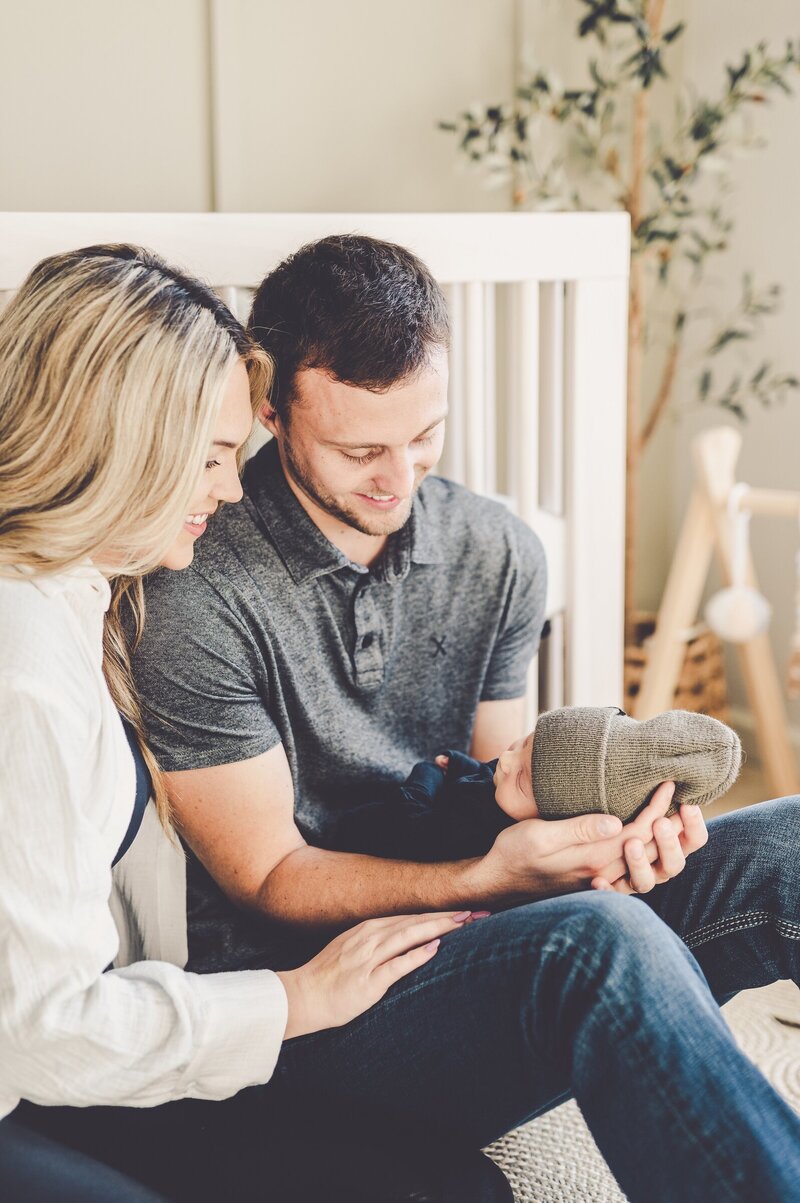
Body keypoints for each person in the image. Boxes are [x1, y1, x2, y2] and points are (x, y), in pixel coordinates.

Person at [132, 233, 800, 1201]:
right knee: (597, 943)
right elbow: (265, 878)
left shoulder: (495, 549)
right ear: (270, 410)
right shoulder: (198, 587)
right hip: (320, 1008)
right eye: (360, 448)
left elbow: (507, 789)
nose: (397, 478)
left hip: (485, 933)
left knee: (786, 841)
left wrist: (598, 841)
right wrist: (487, 874)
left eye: (423, 437)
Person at [0, 244, 506, 1203]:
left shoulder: (87, 596)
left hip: (105, 1045)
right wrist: (295, 998)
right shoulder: (22, 661)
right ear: (113, 444)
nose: (233, 490)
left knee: (456, 1187)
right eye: (214, 457)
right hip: (31, 1082)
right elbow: (37, 1029)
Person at [327, 705, 743, 862]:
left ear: (552, 819)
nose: (506, 762)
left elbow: (412, 811)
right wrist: (458, 763)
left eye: (524, 776)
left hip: (369, 838)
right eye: (524, 744)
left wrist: (431, 772)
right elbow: (483, 772)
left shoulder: (473, 835)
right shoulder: (508, 792)